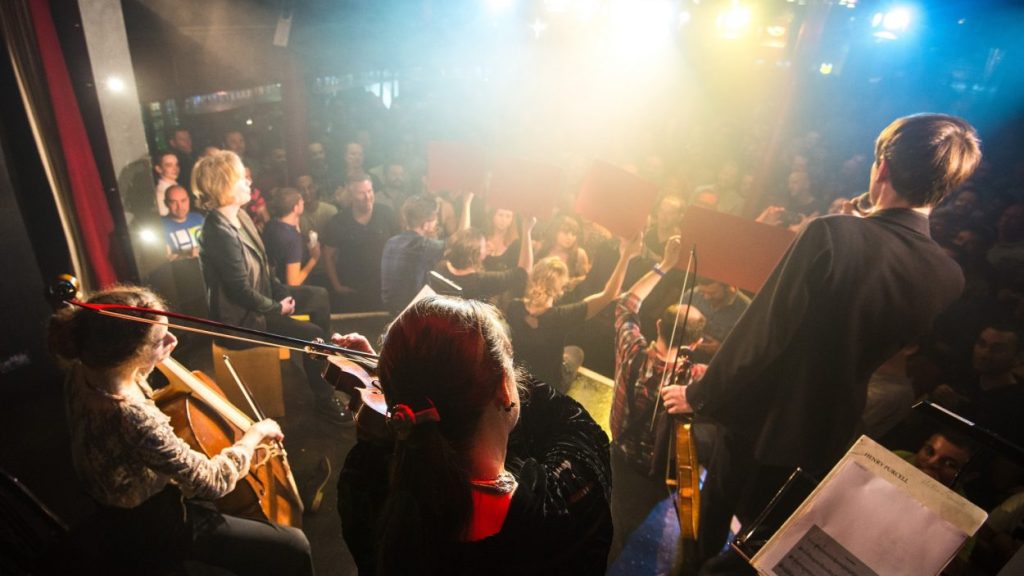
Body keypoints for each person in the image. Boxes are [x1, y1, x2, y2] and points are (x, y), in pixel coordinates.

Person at [666, 113, 982, 569]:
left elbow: (761, 335)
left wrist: (698, 394)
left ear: (883, 167)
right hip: (830, 429)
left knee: (703, 535)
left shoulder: (831, 233)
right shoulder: (949, 276)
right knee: (763, 551)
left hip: (760, 418)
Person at [336, 296, 613, 575]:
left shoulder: (363, 478)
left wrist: (400, 377)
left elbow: (422, 432)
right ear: (504, 387)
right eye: (510, 365)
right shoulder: (559, 515)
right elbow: (574, 424)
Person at [48, 285, 313, 575]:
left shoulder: (83, 368)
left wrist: (150, 359)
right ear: (130, 354)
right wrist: (254, 435)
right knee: (293, 546)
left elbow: (130, 378)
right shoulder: (133, 417)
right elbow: (211, 482)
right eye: (160, 340)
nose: (173, 341)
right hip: (147, 521)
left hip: (101, 495)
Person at [195, 150, 348, 424]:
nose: (248, 183)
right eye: (242, 178)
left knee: (319, 296)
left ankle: (326, 365)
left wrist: (280, 293)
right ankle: (325, 398)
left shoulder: (239, 217)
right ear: (225, 185)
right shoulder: (217, 231)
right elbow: (239, 290)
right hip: (242, 320)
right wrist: (277, 307)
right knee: (311, 334)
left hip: (260, 301)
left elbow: (264, 268)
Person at [609, 235, 709, 558]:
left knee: (607, 527)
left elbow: (627, 302)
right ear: (696, 344)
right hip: (656, 480)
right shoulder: (698, 380)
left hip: (617, 460)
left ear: (657, 325)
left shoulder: (631, 350)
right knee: (634, 544)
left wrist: (665, 264)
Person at [506, 233, 642, 391]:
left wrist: (527, 229)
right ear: (560, 290)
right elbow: (609, 295)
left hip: (517, 382)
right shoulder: (561, 317)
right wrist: (626, 256)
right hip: (549, 388)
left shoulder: (513, 307)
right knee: (576, 352)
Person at [433, 216, 535, 303]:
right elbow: (524, 272)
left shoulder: (442, 266)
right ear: (476, 254)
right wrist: (527, 231)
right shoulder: (482, 282)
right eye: (484, 245)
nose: (487, 246)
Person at [379, 194, 445, 313]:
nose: (436, 225)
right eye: (435, 221)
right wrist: (467, 204)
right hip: (412, 313)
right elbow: (459, 244)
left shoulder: (391, 242)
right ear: (426, 225)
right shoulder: (421, 245)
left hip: (391, 310)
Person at [263, 187, 321, 287]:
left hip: (271, 285)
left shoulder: (271, 224)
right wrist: (314, 259)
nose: (303, 202)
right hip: (287, 294)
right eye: (301, 201)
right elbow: (293, 283)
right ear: (295, 208)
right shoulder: (292, 239)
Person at [160, 185, 203, 260]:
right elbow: (163, 259)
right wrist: (186, 256)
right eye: (173, 202)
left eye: (183, 200)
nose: (179, 206)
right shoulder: (160, 226)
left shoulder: (199, 218)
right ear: (166, 203)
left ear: (188, 200)